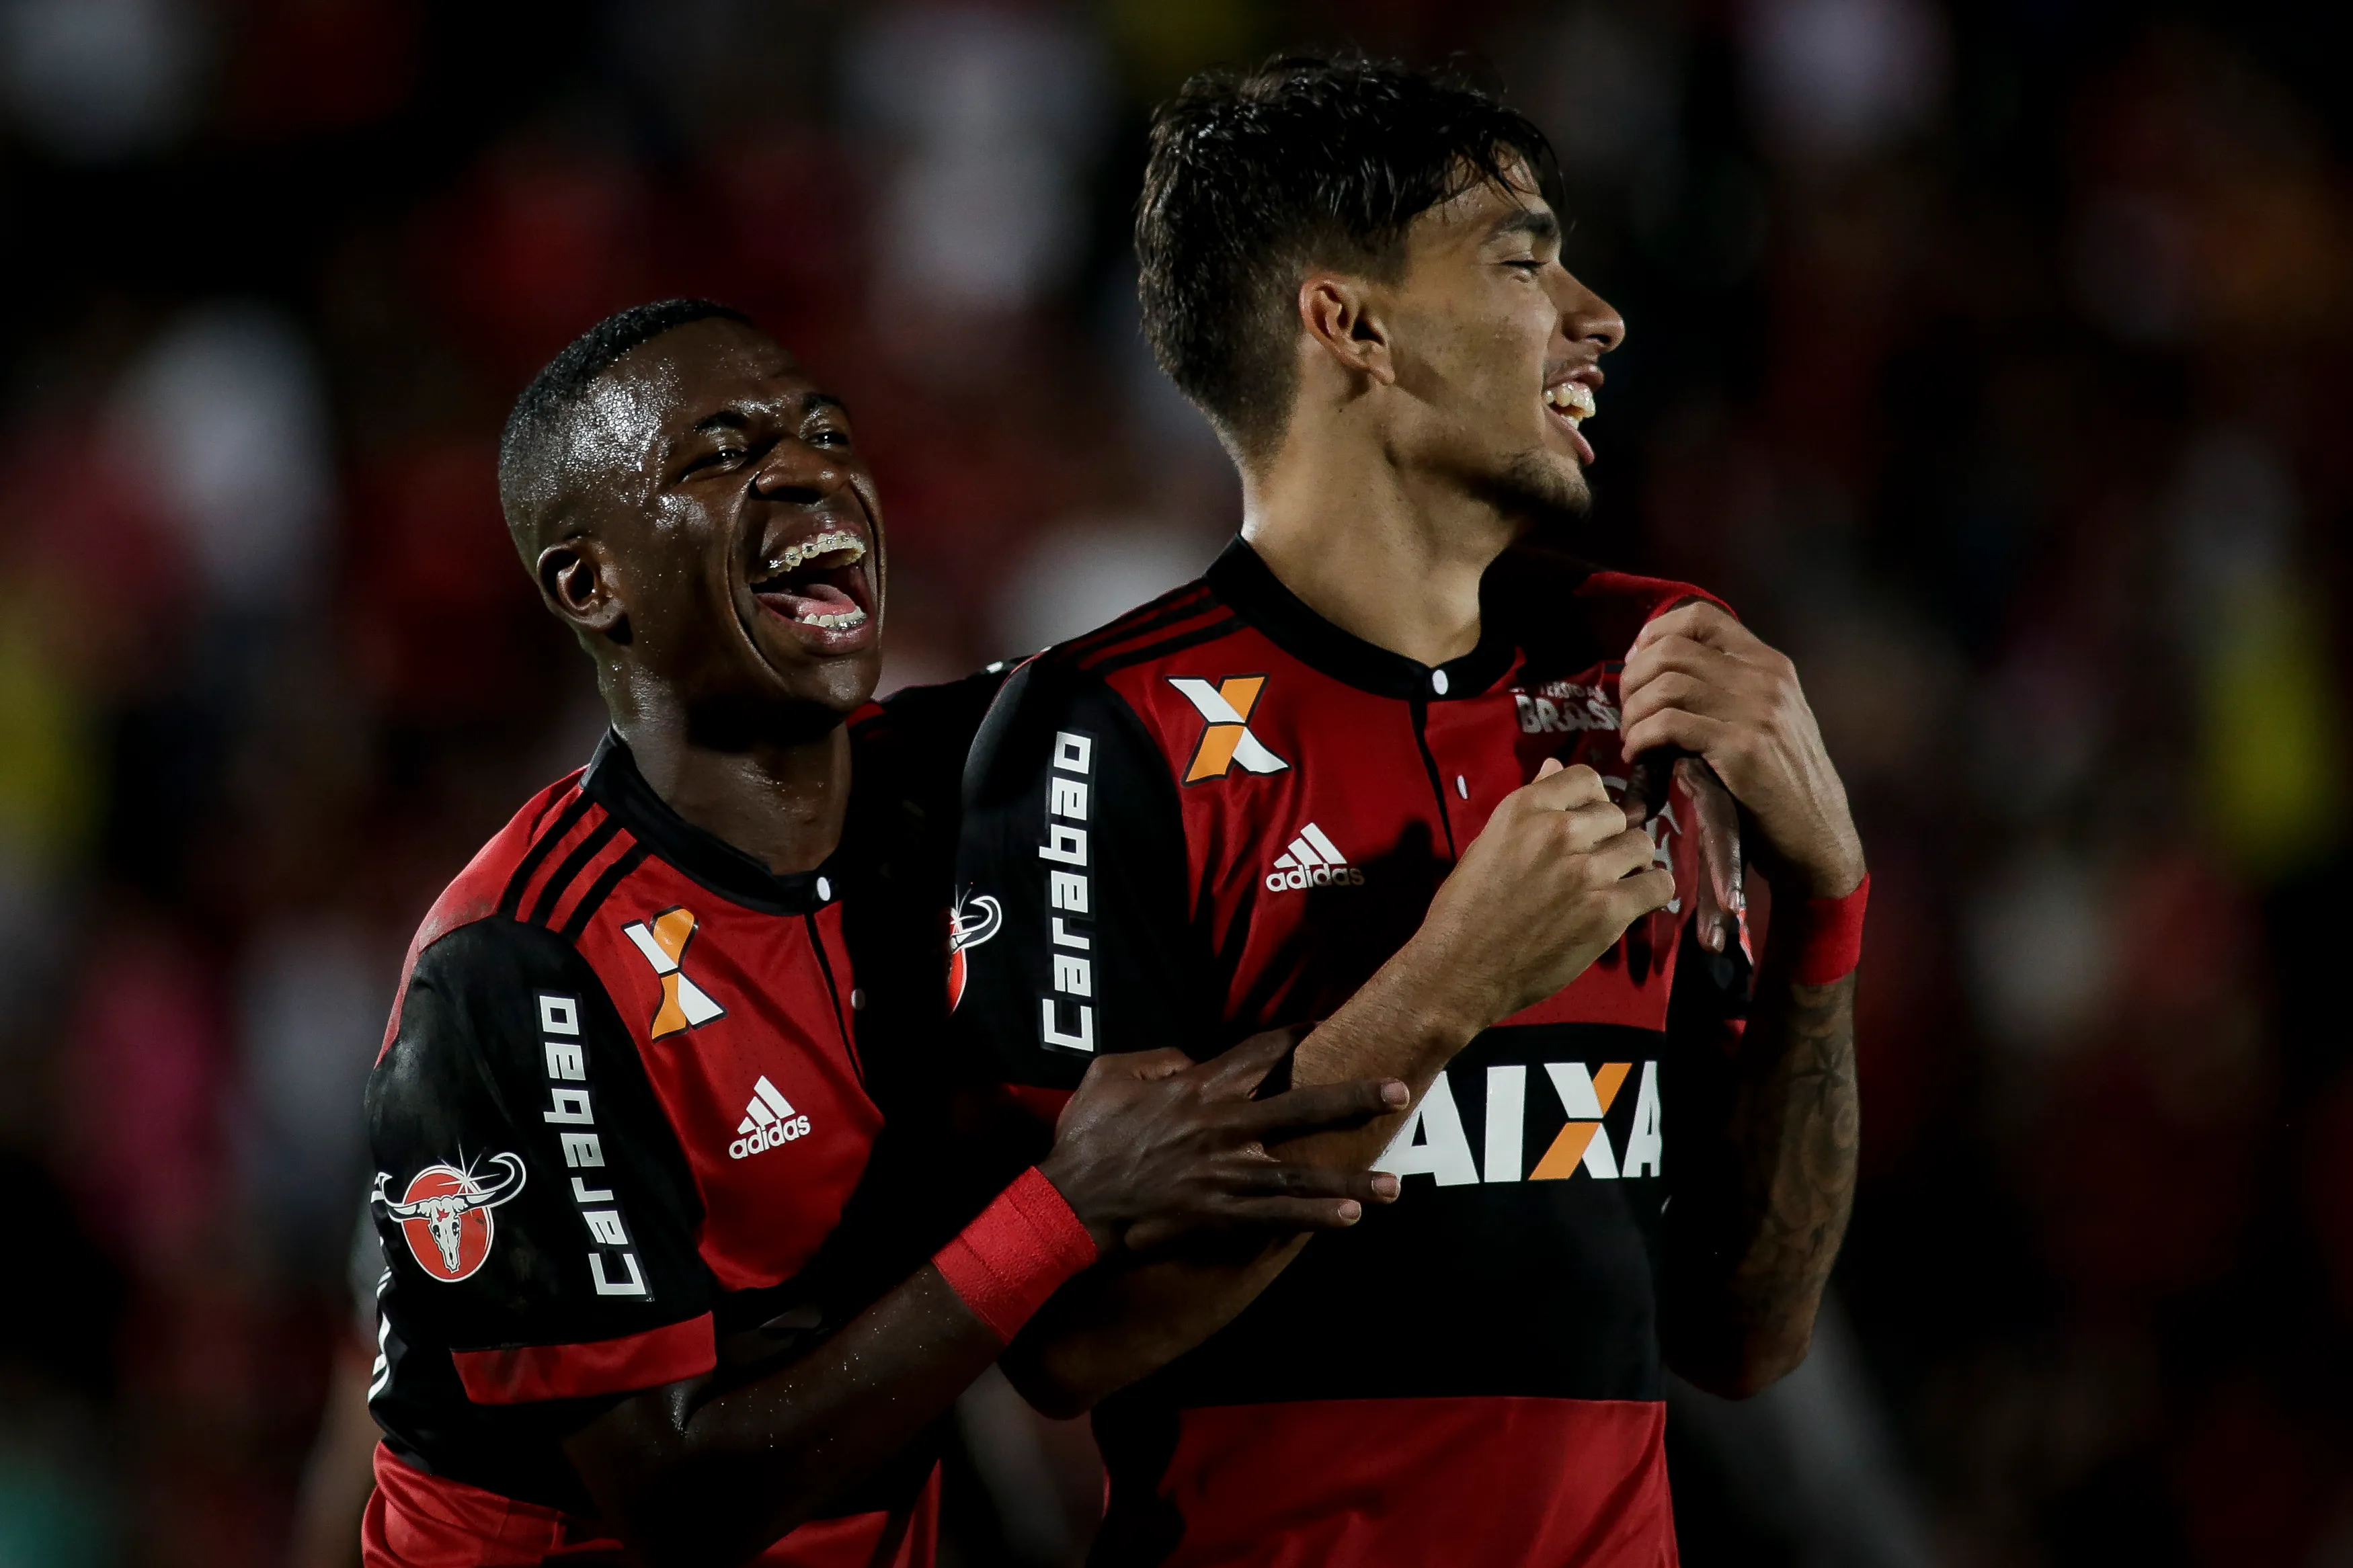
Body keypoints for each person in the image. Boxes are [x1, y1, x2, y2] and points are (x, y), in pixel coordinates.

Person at [362, 298, 1671, 1568]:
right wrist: (1066, 1207)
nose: (810, 475)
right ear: (591, 583)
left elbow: (1266, 643)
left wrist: (1650, 636)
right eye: (723, 455)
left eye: (826, 432)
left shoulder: (990, 773)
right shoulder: (514, 967)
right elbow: (686, 1497)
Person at [950, 56, 1871, 1567]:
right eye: (1522, 257)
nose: (1598, 315)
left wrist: (1827, 901)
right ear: (1350, 325)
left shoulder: (1641, 681)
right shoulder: (1094, 733)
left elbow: (1745, 1329)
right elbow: (1066, 1338)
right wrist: (1444, 986)